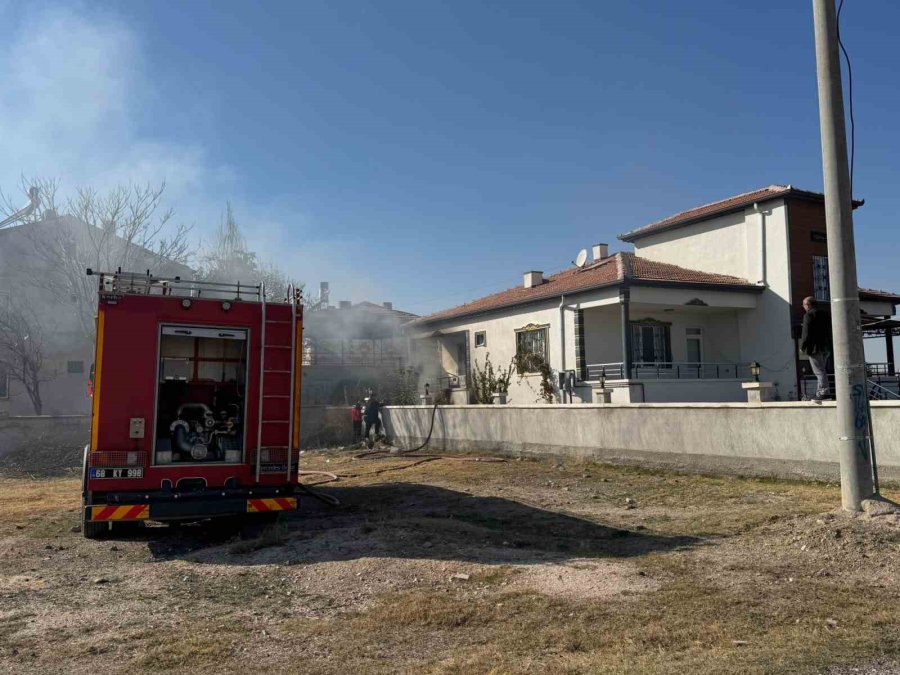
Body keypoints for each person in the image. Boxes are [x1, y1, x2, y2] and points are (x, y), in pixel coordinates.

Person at [800, 296, 833, 401]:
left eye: (803, 305)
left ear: (808, 305)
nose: (803, 307)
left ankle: (824, 392)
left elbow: (806, 332)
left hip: (814, 348)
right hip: (826, 346)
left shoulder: (808, 315)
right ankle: (820, 393)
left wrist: (803, 346)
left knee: (818, 371)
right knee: (822, 370)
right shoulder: (825, 314)